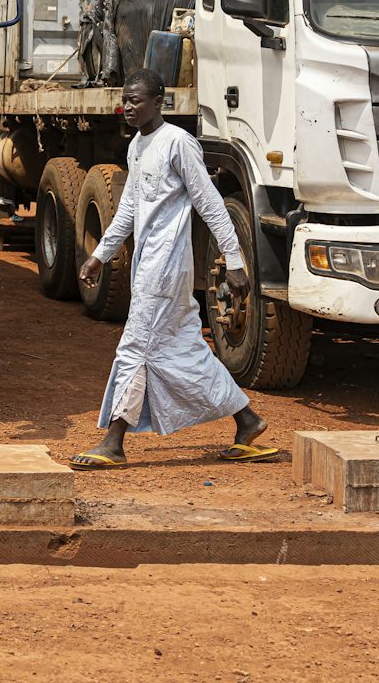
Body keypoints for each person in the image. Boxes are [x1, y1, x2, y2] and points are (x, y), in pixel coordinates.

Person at [73, 68, 275, 468]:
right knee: (185, 351)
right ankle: (247, 420)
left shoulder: (178, 143)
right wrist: (101, 254)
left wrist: (235, 262)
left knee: (134, 348)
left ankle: (113, 443)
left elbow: (210, 204)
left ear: (158, 101)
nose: (127, 107)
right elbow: (129, 207)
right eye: (125, 100)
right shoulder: (137, 146)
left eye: (136, 100)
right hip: (147, 264)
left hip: (167, 268)